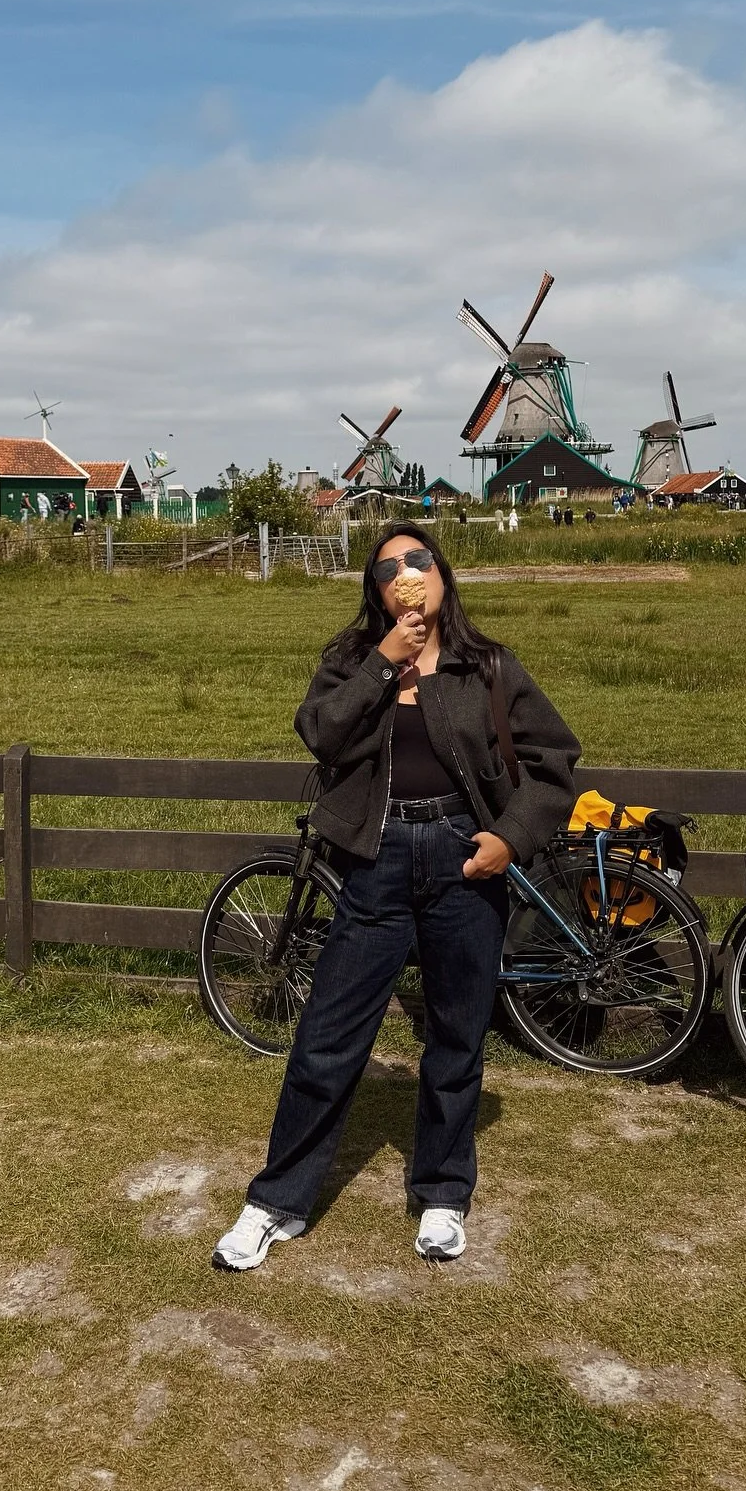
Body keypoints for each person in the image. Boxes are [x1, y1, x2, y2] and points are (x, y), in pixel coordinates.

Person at [213, 522, 580, 1274]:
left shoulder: (488, 666)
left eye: (418, 560)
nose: (405, 574)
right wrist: (385, 661)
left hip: (463, 861)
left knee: (456, 1037)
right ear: (377, 593)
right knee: (327, 1036)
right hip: (375, 861)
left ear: (442, 573)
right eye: (387, 569)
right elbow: (321, 733)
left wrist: (510, 839)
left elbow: (554, 762)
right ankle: (277, 1200)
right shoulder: (353, 659)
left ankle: (442, 1191)